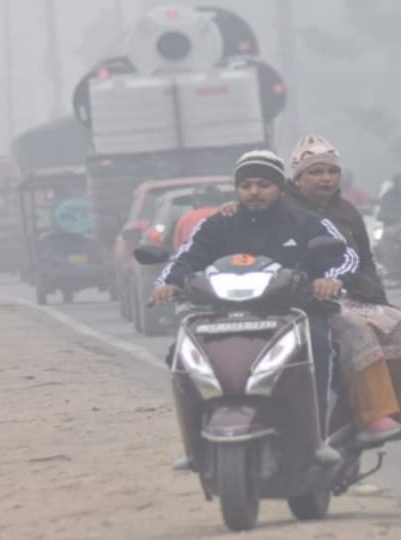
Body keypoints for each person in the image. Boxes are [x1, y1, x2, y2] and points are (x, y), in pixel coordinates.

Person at [152, 149, 359, 464]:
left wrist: (330, 280)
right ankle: (194, 445)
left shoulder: (304, 220)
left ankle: (316, 437)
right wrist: (167, 284)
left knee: (317, 343)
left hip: (294, 313)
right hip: (222, 314)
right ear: (237, 189)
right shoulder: (219, 223)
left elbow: (345, 257)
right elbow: (186, 258)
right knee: (181, 353)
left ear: (279, 187)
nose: (254, 192)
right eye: (246, 185)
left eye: (263, 184)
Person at [285, 135, 401, 435]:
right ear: (298, 179)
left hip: (352, 292)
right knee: (358, 332)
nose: (326, 178)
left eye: (332, 171)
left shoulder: (347, 212)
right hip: (307, 298)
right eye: (316, 172)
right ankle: (374, 413)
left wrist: (376, 299)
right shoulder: (282, 211)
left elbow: (364, 259)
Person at [172, 185, 224, 251]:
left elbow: (178, 248)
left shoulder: (185, 219)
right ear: (220, 199)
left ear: (195, 201)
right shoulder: (228, 214)